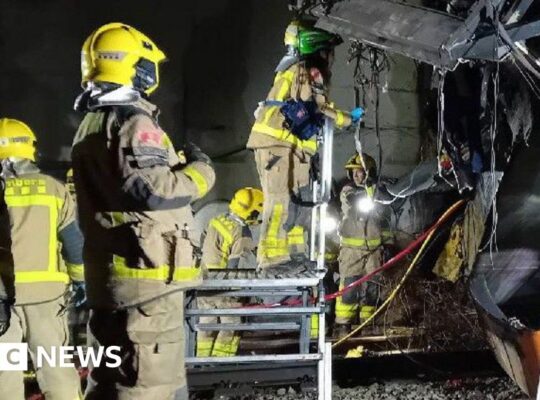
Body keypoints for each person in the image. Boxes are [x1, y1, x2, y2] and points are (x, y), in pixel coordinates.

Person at [71, 23, 215, 399]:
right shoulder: (133, 122)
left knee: (116, 381)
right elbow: (153, 190)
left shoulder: (93, 123)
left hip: (123, 282)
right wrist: (202, 171)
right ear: (135, 67)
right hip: (145, 287)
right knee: (147, 386)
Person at [247, 20, 363, 270]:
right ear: (317, 49)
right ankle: (270, 259)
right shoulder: (307, 71)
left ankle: (294, 255)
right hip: (279, 146)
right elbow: (318, 108)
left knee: (297, 204)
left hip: (291, 149)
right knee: (279, 202)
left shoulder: (294, 70)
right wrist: (347, 119)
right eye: (328, 51)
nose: (331, 57)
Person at [0, 118, 84, 399]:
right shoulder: (53, 189)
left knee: (4, 370)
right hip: (46, 297)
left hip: (2, 298)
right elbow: (73, 243)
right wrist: (81, 280)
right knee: (54, 367)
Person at [197, 187, 263, 357]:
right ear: (251, 212)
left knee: (207, 326)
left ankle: (201, 362)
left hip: (204, 282)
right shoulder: (242, 231)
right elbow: (237, 266)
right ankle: (221, 363)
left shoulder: (216, 220)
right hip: (224, 287)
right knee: (231, 326)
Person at [334, 152, 391, 335]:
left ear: (370, 172)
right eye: (355, 172)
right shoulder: (348, 190)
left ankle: (368, 323)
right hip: (351, 251)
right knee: (349, 288)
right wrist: (369, 190)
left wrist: (388, 245)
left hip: (374, 251)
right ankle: (343, 324)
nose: (358, 176)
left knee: (373, 288)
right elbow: (354, 200)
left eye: (361, 172)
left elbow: (385, 220)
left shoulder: (379, 193)